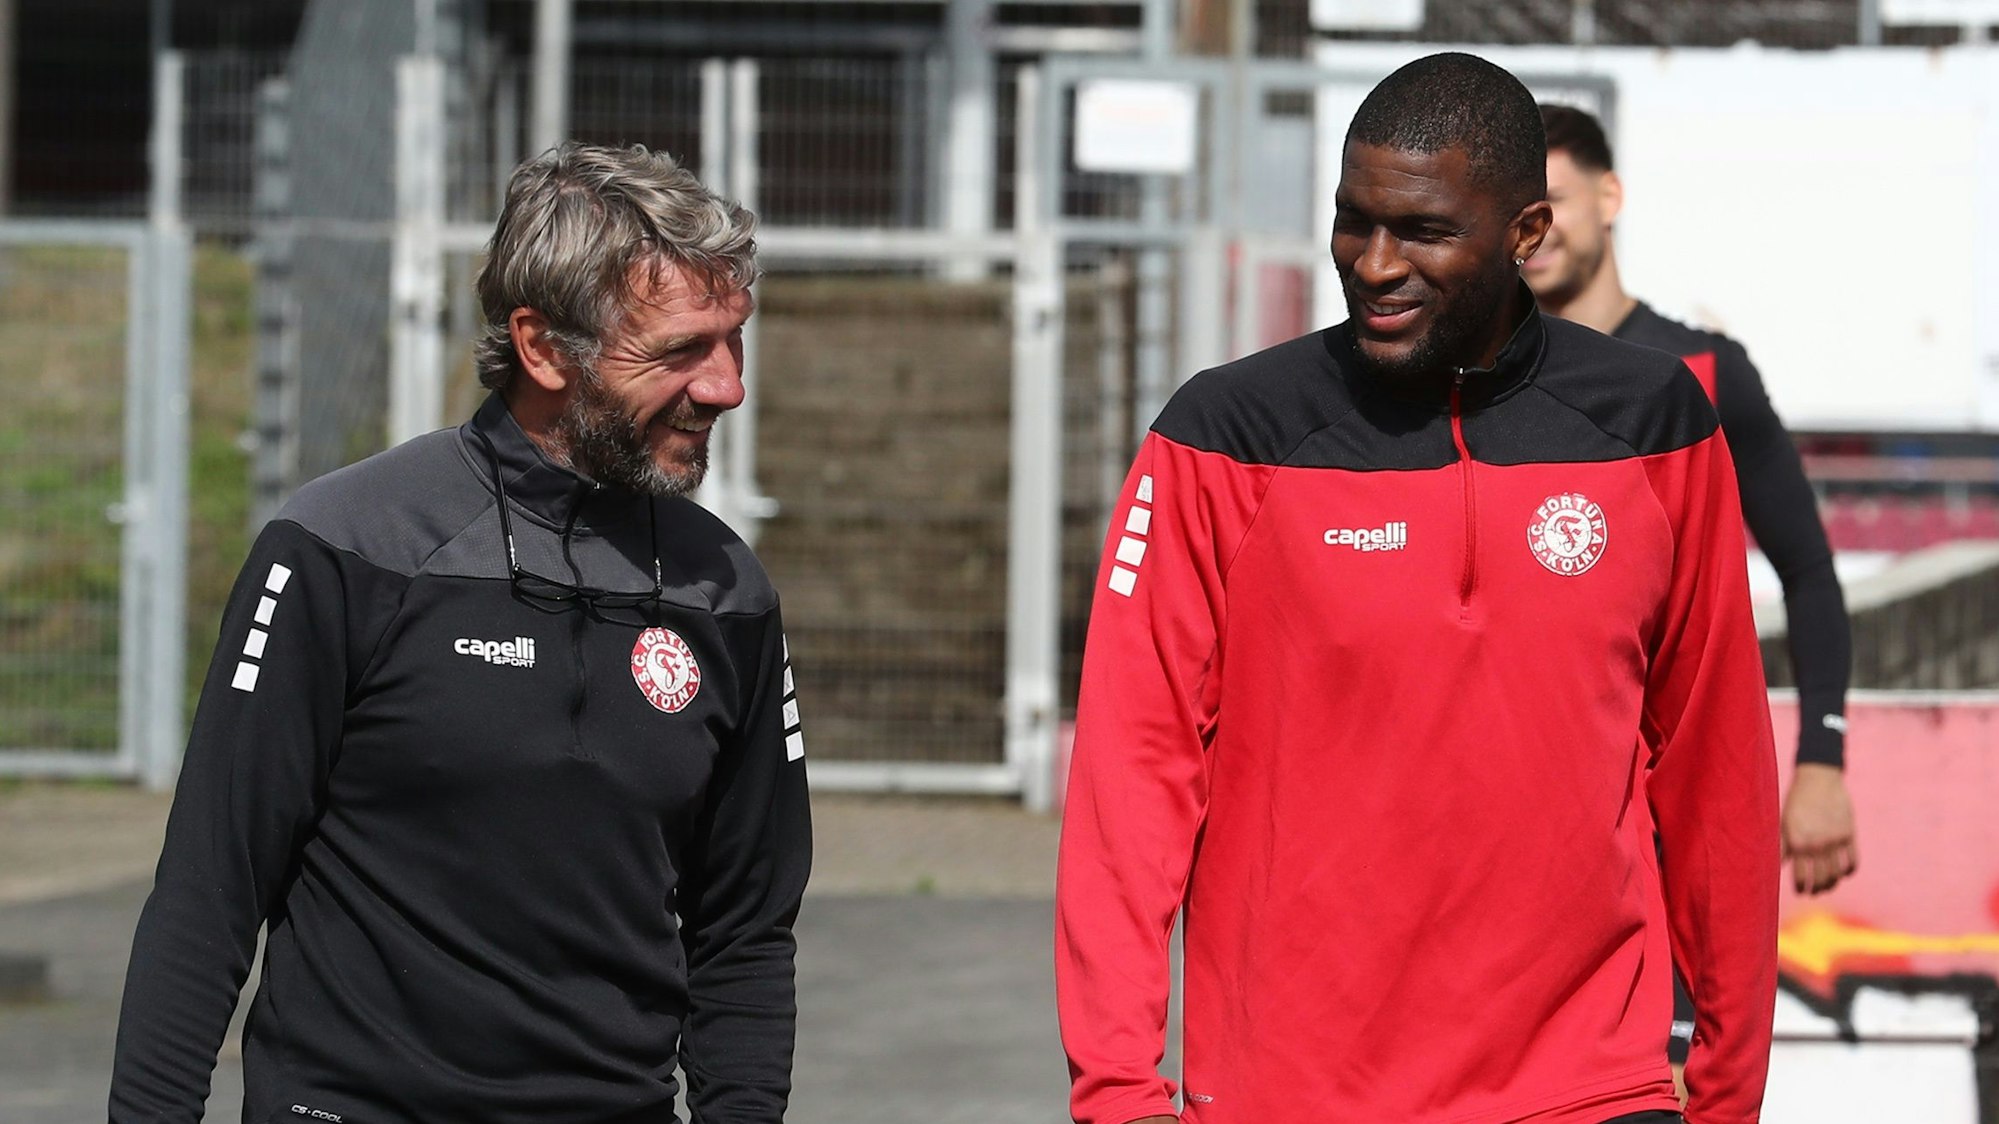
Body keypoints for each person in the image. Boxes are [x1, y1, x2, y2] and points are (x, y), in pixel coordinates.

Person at [1055, 53, 1777, 1124]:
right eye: (1354, 220)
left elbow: (1715, 763)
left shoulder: (1653, 424)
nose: (1375, 261)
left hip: (1590, 1085)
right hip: (1290, 1091)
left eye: (1424, 231)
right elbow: (1132, 771)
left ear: (1526, 233)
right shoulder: (1222, 434)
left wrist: (1725, 1086)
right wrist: (1119, 1091)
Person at [109, 143, 812, 1124]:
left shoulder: (725, 592)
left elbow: (744, 931)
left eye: (734, 340)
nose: (725, 386)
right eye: (679, 351)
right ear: (541, 346)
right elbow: (209, 885)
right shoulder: (344, 548)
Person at [1526, 103, 1858, 900]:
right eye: (1515, 214)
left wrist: (1820, 758)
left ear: (1608, 198)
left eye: (1553, 203)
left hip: (1677, 807)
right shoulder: (1474, 383)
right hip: (1529, 808)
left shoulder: (1705, 373)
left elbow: (1808, 573)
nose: (1535, 232)